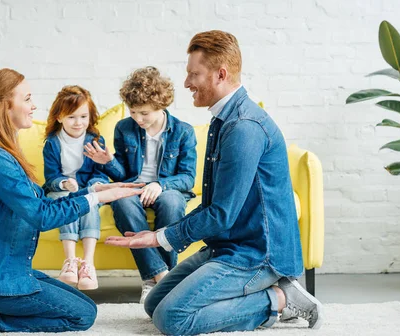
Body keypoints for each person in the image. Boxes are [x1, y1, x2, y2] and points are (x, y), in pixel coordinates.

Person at [105, 31, 324, 334]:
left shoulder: (243, 127)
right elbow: (211, 205)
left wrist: (157, 238)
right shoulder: (223, 119)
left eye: (193, 74)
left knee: (172, 319)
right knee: (154, 304)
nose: (186, 83)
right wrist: (161, 234)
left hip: (257, 255)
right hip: (228, 245)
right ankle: (254, 296)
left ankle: (278, 298)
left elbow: (221, 214)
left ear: (220, 74)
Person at [0, 68, 142, 333]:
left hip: (8, 272)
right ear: (4, 106)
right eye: (28, 99)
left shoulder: (4, 154)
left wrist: (100, 194)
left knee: (81, 301)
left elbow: (44, 203)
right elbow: (42, 216)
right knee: (83, 315)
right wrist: (94, 199)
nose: (34, 106)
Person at [84, 66, 197, 304]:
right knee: (122, 201)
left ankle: (154, 280)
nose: (138, 119)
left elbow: (188, 178)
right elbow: (123, 175)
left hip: (168, 189)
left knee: (172, 202)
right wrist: (108, 162)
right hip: (133, 188)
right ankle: (160, 278)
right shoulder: (124, 128)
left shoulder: (183, 132)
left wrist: (160, 184)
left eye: (144, 113)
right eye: (133, 112)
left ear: (161, 105)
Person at [43, 85, 109, 290]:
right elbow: (51, 176)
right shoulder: (52, 143)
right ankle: (70, 263)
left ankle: (88, 263)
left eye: (83, 116)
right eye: (71, 117)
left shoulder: (96, 140)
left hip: (88, 189)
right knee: (67, 201)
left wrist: (93, 185)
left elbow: (100, 172)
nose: (78, 123)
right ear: (59, 117)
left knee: (88, 201)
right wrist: (63, 183)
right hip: (63, 191)